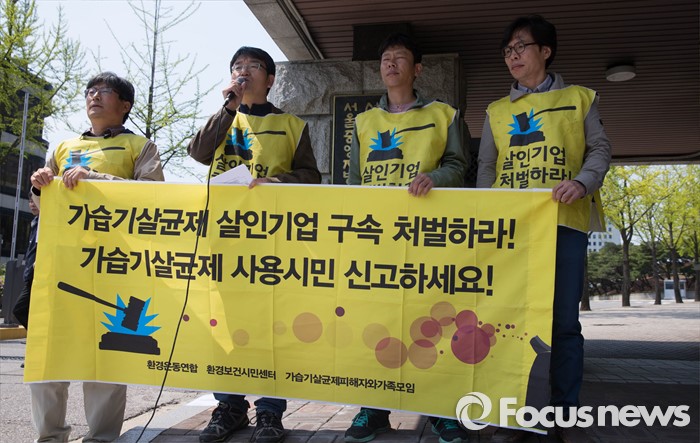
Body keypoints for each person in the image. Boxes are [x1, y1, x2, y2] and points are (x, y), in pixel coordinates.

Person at [477, 15, 611, 443]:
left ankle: (563, 414)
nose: (512, 56)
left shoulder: (579, 98)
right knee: (507, 321)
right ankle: (511, 412)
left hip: (564, 226)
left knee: (563, 324)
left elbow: (599, 150)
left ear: (545, 51)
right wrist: (487, 211)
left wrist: (582, 182)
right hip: (510, 233)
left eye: (521, 47)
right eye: (507, 50)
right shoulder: (497, 111)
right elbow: (487, 168)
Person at [188, 46, 321, 443]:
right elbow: (197, 153)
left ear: (271, 79)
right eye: (237, 67)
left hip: (271, 242)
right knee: (225, 325)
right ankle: (229, 407)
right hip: (225, 238)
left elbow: (311, 176)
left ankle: (269, 411)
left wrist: (274, 183)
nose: (243, 72)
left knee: (270, 326)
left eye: (253, 66)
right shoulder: (224, 117)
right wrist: (228, 107)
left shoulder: (291, 124)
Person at [346, 33, 469, 443]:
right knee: (376, 320)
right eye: (385, 58)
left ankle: (440, 409)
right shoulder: (364, 122)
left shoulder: (443, 114)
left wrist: (436, 177)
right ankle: (373, 409)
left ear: (417, 69)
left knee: (430, 319)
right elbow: (355, 182)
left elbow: (459, 166)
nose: (391, 63)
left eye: (400, 58)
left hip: (427, 236)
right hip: (377, 238)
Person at [29, 71, 165, 442]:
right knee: (48, 356)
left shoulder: (140, 146)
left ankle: (102, 438)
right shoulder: (62, 146)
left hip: (114, 266)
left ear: (125, 105)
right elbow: (39, 208)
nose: (94, 96)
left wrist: (96, 179)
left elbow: (153, 196)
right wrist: (40, 186)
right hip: (60, 265)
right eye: (90, 90)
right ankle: (49, 437)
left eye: (104, 91)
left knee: (108, 354)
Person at [12, 192, 40, 330]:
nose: (32, 205)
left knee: (20, 309)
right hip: (31, 275)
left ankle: (39, 336)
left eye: (35, 201)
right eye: (30, 202)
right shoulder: (35, 221)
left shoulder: (45, 221)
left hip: (38, 274)